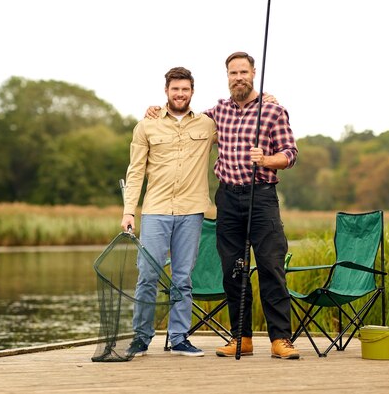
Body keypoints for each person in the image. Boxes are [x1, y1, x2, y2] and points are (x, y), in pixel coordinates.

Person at [146, 51, 300, 359]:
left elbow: (290, 153)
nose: (238, 77)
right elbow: (184, 121)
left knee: (270, 266)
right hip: (228, 198)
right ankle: (241, 337)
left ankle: (280, 339)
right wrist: (157, 110)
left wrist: (267, 159)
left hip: (262, 197)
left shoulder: (272, 110)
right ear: (227, 76)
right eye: (233, 73)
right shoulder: (217, 112)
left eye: (243, 71)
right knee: (232, 270)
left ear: (253, 73)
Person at [121, 66, 216, 357]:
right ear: (166, 91)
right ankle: (141, 337)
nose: (180, 94)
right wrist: (128, 212)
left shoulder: (208, 125)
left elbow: (240, 123)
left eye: (185, 89)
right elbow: (135, 172)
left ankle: (178, 338)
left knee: (183, 278)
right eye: (175, 89)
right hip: (155, 211)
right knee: (147, 275)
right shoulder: (146, 125)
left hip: (191, 212)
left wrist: (269, 99)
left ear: (192, 92)